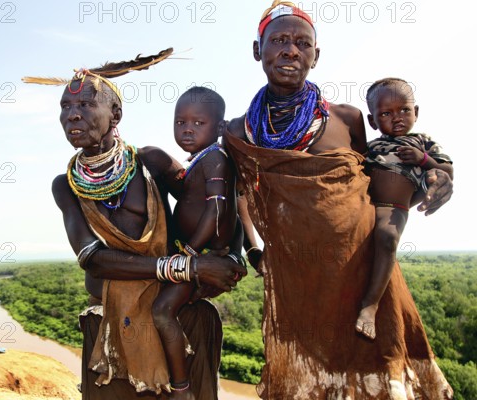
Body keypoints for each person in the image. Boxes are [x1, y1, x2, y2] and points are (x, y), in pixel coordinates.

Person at [224, 1, 454, 398]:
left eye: (303, 42)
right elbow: (238, 196)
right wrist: (251, 248)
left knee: (379, 381)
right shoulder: (238, 133)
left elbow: (380, 181)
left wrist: (436, 177)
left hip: (367, 279)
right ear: (257, 50)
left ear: (316, 54)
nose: (291, 50)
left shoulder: (347, 119)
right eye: (278, 40)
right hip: (299, 286)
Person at [23, 51, 246, 399]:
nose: (73, 114)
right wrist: (188, 266)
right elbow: (92, 258)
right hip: (111, 324)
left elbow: (214, 203)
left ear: (116, 114)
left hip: (177, 315)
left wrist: (233, 254)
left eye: (85, 103)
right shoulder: (65, 185)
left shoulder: (150, 162)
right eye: (65, 106)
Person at [151, 86, 239, 398]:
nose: (188, 129)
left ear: (218, 128)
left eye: (198, 123)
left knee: (162, 311)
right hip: (193, 253)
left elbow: (216, 210)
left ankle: (181, 387)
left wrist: (189, 255)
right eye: (180, 122)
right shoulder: (201, 160)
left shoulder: (215, 159)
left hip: (199, 255)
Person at [356, 78, 454, 340]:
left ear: (416, 112)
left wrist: (423, 159)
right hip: (364, 205)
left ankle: (370, 305)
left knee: (387, 238)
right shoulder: (371, 147)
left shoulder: (423, 141)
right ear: (373, 121)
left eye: (404, 110)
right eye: (386, 113)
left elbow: (447, 170)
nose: (397, 118)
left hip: (393, 207)